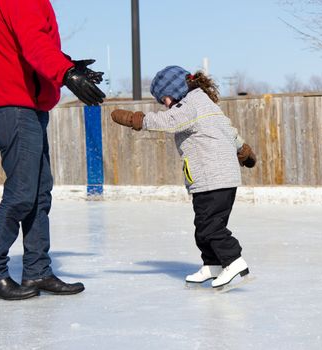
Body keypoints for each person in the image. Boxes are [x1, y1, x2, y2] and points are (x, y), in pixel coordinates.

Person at [0, 0, 105, 300]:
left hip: (26, 106)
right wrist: (66, 73)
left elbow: (33, 44)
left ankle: (36, 270)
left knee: (38, 193)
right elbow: (34, 44)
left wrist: (68, 64)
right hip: (13, 106)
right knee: (22, 193)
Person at [110, 66, 256, 289]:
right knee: (204, 225)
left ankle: (234, 261)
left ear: (175, 90)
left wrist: (135, 119)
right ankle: (213, 265)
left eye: (165, 99)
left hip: (212, 178)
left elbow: (167, 122)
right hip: (217, 178)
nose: (165, 104)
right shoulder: (205, 103)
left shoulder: (189, 105)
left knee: (211, 227)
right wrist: (243, 151)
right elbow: (229, 130)